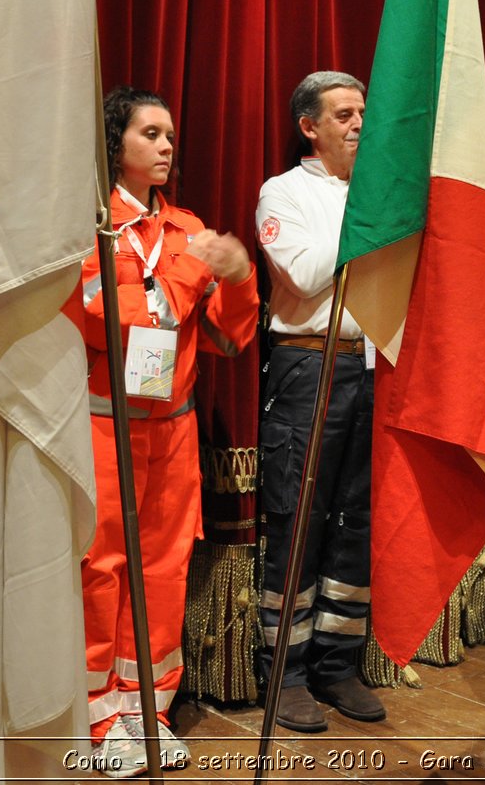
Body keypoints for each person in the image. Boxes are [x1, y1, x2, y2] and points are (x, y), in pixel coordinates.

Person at [79, 87, 258, 775]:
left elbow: (227, 336)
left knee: (162, 570)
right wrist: (192, 271)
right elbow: (110, 315)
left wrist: (239, 277)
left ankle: (144, 707)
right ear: (113, 144)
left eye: (170, 135)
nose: (165, 145)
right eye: (149, 132)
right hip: (104, 424)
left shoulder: (186, 225)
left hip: (173, 428)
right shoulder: (90, 224)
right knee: (101, 570)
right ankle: (96, 718)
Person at [254, 71, 385, 732]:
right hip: (308, 365)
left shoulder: (377, 190)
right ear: (311, 126)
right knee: (298, 516)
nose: (359, 123)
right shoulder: (284, 191)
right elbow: (303, 275)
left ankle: (338, 663)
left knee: (355, 516)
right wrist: (367, 221)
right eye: (344, 113)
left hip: (370, 366)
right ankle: (287, 671)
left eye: (363, 111)